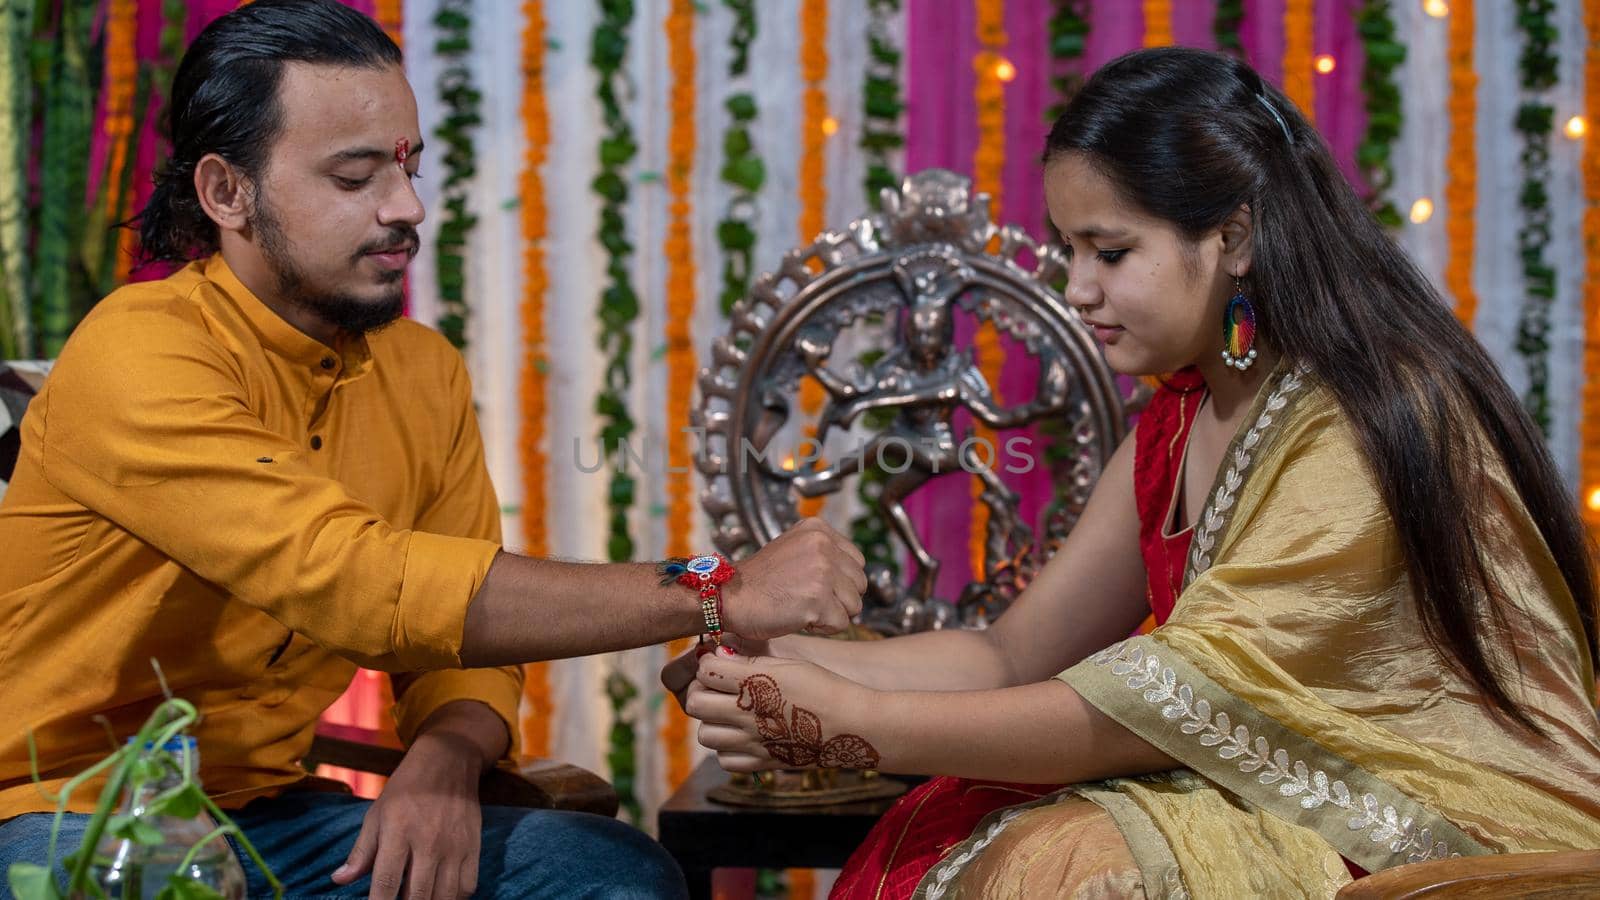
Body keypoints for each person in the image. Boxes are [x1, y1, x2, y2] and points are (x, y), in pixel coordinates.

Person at [665, 47, 1600, 898]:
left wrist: (858, 719)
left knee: (1075, 868)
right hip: (1257, 782)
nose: (1076, 288)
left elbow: (1161, 711)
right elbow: (1014, 654)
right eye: (1072, 249)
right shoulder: (1179, 416)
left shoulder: (1361, 418)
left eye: (1109, 252)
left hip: (1418, 827)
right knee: (974, 833)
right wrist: (777, 664)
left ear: (1231, 239)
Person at [0, 2, 866, 898]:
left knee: (610, 874)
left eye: (409, 167)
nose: (406, 208)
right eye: (354, 177)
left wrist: (446, 761)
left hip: (276, 819)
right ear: (228, 193)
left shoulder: (421, 371)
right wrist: (715, 589)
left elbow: (464, 655)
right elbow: (355, 582)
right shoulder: (141, 349)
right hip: (63, 816)